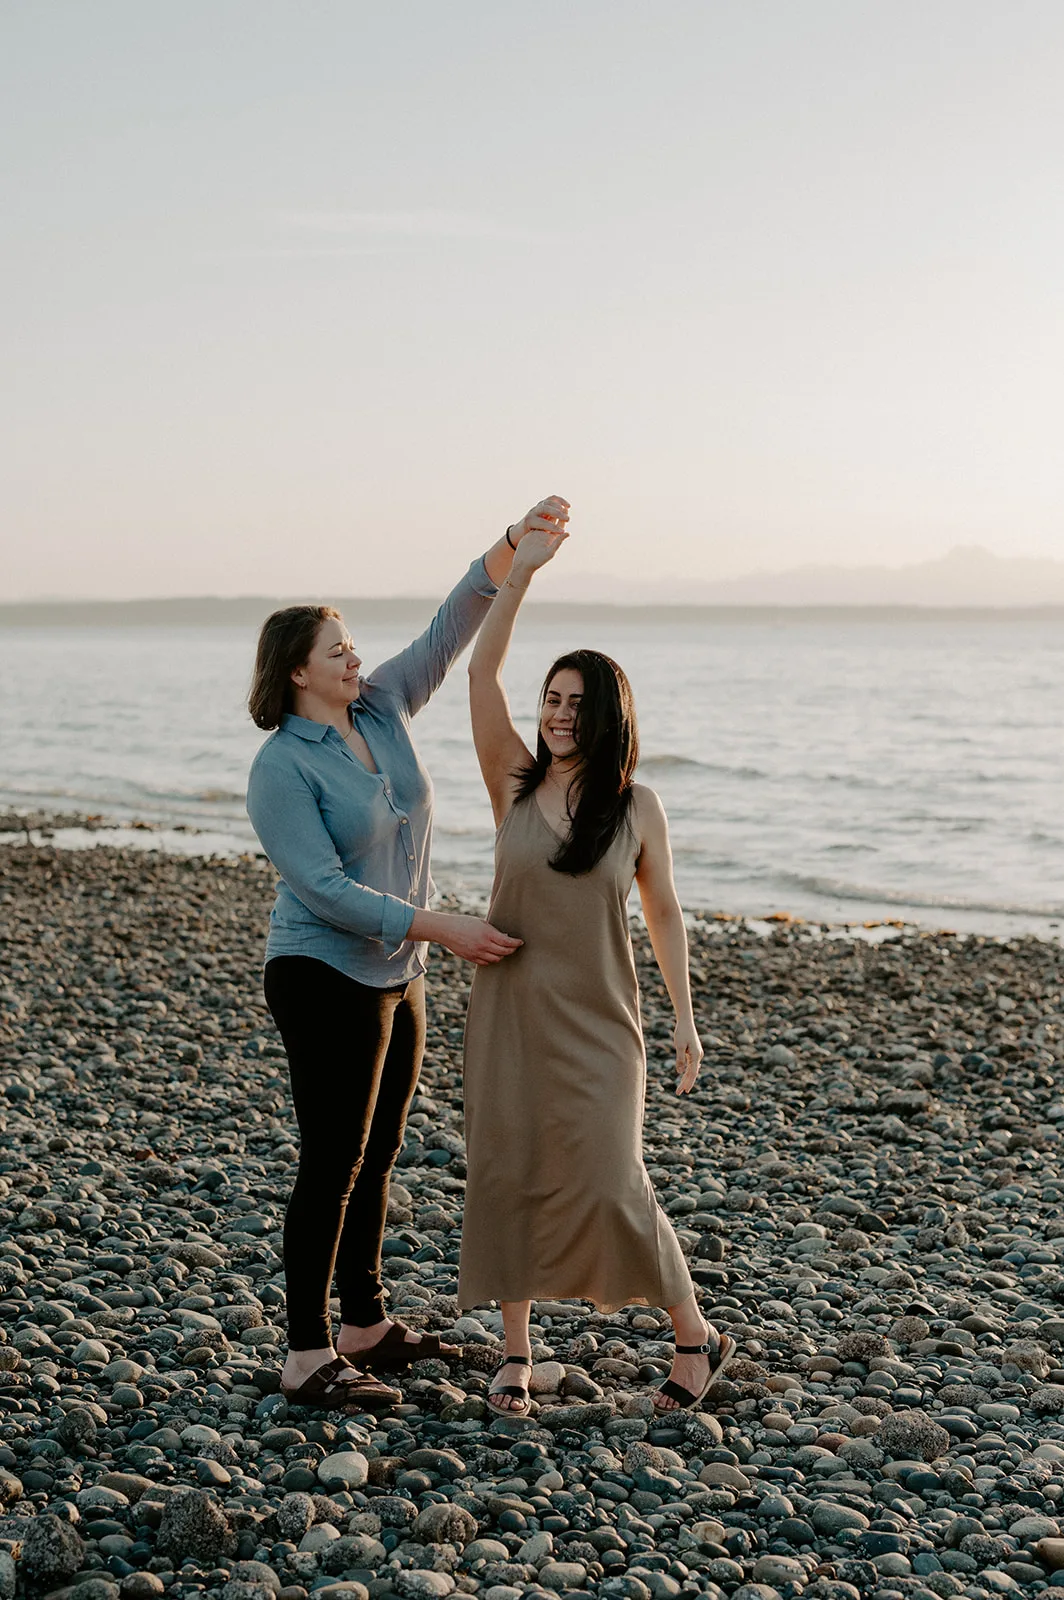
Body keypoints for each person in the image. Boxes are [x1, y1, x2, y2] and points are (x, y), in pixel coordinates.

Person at [245, 496, 568, 1409]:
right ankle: (306, 1354)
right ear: (298, 673)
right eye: (337, 651)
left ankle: (365, 1325)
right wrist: (443, 926)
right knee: (332, 1159)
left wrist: (513, 546)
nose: (355, 658)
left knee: (380, 1151)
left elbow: (447, 629)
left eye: (352, 645)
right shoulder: (281, 768)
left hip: (399, 971)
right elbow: (324, 891)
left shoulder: (383, 706)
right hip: (321, 972)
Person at [459, 524, 736, 1414]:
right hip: (511, 1013)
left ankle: (696, 1337)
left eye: (577, 703)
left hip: (604, 1025)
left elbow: (664, 913)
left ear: (608, 715)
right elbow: (479, 674)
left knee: (616, 1180)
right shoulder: (511, 780)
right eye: (552, 698)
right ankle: (515, 1354)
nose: (559, 714)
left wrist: (685, 1018)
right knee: (509, 1171)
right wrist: (520, 572)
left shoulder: (637, 806)